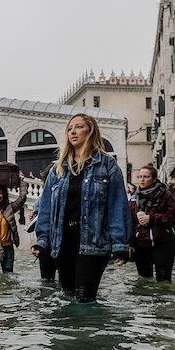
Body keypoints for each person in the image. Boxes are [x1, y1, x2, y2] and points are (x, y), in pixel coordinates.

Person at [31, 113, 132, 303]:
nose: (73, 132)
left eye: (78, 127)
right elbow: (46, 208)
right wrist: (42, 240)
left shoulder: (107, 165)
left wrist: (120, 244)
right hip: (63, 242)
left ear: (90, 131)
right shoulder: (58, 168)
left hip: (93, 242)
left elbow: (117, 206)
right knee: (67, 296)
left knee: (85, 298)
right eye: (69, 129)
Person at [130, 165, 175, 282]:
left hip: (163, 243)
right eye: (140, 176)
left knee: (164, 280)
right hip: (141, 243)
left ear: (154, 178)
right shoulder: (134, 198)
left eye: (146, 177)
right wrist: (130, 243)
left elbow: (173, 218)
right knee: (144, 280)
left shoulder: (166, 195)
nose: (142, 179)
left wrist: (151, 218)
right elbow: (130, 222)